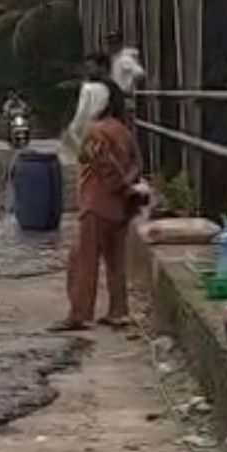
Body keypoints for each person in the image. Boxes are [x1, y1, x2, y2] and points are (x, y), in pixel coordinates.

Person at [52, 82, 143, 332]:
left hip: (96, 204)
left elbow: (105, 165)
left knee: (82, 261)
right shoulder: (123, 130)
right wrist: (129, 190)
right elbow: (136, 163)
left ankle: (79, 313)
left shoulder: (94, 132)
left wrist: (120, 186)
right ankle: (118, 310)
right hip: (119, 208)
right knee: (116, 262)